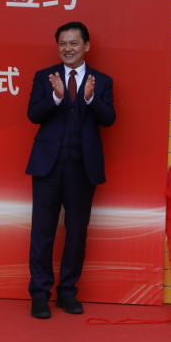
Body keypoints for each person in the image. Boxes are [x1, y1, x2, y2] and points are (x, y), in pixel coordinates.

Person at [26, 21, 116, 319]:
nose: (68, 48)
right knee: (42, 232)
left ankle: (67, 292)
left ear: (86, 46)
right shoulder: (45, 77)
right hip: (47, 166)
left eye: (73, 43)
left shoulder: (102, 81)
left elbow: (109, 119)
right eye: (63, 43)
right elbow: (33, 114)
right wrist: (55, 97)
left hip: (82, 168)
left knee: (76, 232)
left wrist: (90, 98)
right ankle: (40, 294)